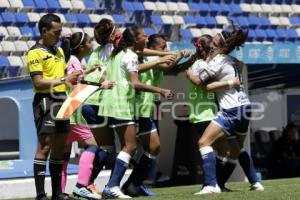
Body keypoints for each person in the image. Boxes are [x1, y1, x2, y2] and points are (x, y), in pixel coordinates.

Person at [95, 26, 174, 199]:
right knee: (129, 147)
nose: (147, 39)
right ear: (135, 39)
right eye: (144, 36)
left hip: (115, 102)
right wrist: (160, 90)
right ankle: (112, 187)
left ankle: (125, 186)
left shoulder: (117, 53)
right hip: (122, 103)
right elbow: (135, 84)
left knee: (143, 147)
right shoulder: (130, 56)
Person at [190, 29, 263, 194]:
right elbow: (241, 65)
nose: (211, 48)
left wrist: (188, 71)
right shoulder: (231, 60)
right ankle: (254, 182)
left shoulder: (218, 61)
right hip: (245, 107)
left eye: (214, 44)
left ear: (219, 46)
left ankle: (211, 185)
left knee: (203, 143)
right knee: (237, 147)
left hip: (232, 109)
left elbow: (202, 83)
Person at [121, 34, 189, 197]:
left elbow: (171, 67)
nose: (165, 50)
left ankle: (133, 184)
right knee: (130, 149)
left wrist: (188, 59)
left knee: (153, 147)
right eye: (163, 47)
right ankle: (119, 185)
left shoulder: (154, 59)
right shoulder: (142, 58)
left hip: (146, 109)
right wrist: (178, 54)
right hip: (134, 108)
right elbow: (166, 65)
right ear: (151, 47)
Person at [26, 14, 80, 200]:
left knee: (59, 146)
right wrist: (65, 79)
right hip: (45, 100)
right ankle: (41, 195)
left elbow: (63, 75)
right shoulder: (35, 53)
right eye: (56, 32)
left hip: (62, 99)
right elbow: (39, 82)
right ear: (44, 31)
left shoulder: (59, 51)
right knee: (45, 147)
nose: (59, 35)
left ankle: (57, 193)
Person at [60, 31, 114, 199]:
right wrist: (101, 85)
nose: (93, 44)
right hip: (73, 112)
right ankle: (81, 186)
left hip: (64, 112)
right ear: (82, 46)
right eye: (90, 41)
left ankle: (60, 192)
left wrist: (90, 69)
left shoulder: (73, 60)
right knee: (92, 146)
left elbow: (76, 78)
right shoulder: (75, 61)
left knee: (64, 156)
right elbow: (79, 86)